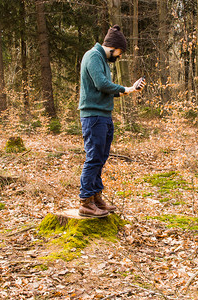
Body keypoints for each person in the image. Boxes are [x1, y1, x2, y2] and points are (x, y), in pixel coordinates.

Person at [78, 25, 145, 217]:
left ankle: (95, 196)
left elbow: (105, 88)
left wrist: (129, 89)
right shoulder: (93, 57)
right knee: (93, 158)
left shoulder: (102, 60)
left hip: (103, 115)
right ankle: (85, 200)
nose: (119, 56)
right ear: (113, 47)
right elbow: (101, 84)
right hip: (93, 117)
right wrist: (126, 89)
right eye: (120, 52)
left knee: (101, 158)